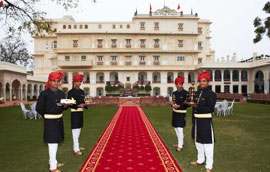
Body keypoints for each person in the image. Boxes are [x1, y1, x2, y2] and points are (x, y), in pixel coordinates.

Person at [36, 72, 71, 172]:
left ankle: (54, 161)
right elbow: (39, 108)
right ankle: (52, 167)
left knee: (57, 141)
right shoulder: (44, 94)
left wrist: (65, 106)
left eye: (57, 81)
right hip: (50, 121)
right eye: (53, 81)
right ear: (50, 81)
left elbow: (63, 106)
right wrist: (47, 116)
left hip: (59, 120)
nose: (56, 83)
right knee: (52, 143)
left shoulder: (61, 93)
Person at [188, 71, 217, 172]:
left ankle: (209, 166)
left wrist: (197, 106)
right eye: (200, 81)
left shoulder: (212, 94)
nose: (202, 83)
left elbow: (210, 108)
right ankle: (200, 160)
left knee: (208, 144)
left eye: (204, 81)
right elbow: (191, 105)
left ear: (208, 82)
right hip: (196, 121)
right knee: (198, 143)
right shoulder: (197, 93)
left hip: (205, 121)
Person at [67, 74, 88, 156]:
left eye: (80, 81)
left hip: (80, 112)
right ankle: (76, 149)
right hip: (74, 113)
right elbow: (70, 103)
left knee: (79, 129)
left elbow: (83, 101)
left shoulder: (82, 91)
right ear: (74, 82)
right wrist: (78, 106)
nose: (79, 83)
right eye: (77, 81)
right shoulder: (70, 92)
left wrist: (86, 104)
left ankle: (76, 145)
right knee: (75, 131)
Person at [171, 76, 189, 152]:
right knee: (175, 128)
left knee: (180, 129)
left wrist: (180, 106)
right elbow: (173, 101)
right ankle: (180, 142)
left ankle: (180, 145)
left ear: (182, 84)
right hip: (175, 112)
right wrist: (172, 104)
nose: (178, 85)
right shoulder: (174, 93)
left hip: (181, 113)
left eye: (180, 84)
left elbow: (188, 104)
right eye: (177, 84)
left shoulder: (186, 93)